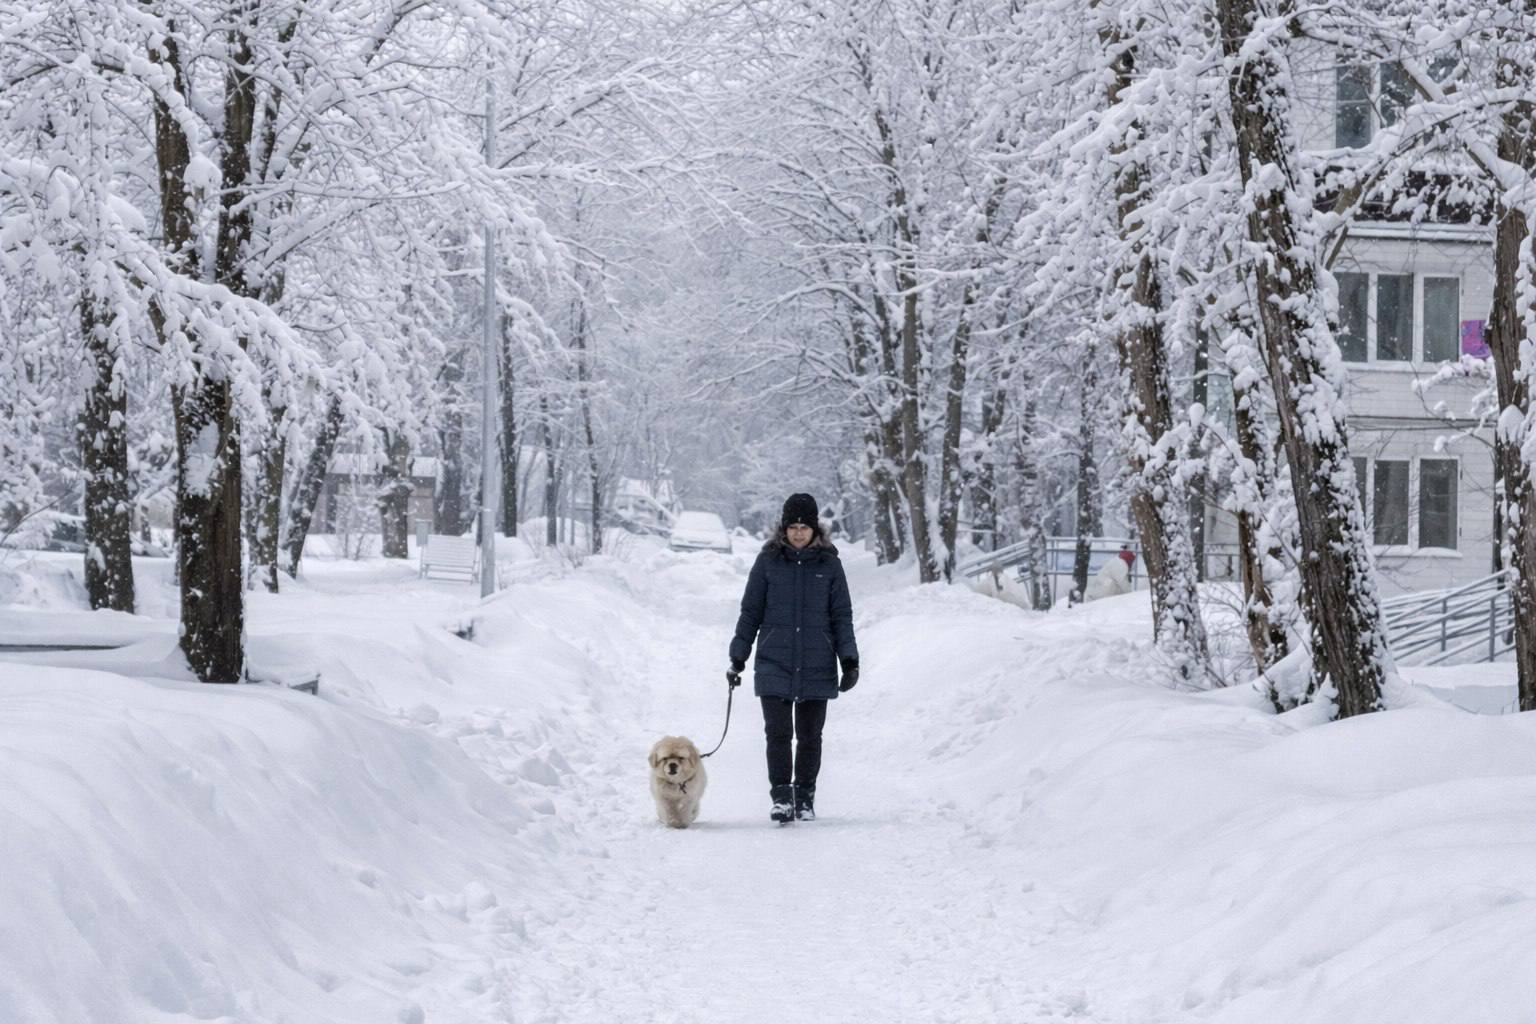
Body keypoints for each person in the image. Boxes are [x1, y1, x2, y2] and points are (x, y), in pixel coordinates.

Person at [727, 493, 859, 823]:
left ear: (815, 529)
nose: (798, 533)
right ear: (784, 529)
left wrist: (849, 660)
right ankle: (782, 797)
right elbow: (750, 612)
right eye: (793, 527)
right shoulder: (768, 562)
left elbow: (841, 616)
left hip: (817, 661)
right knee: (778, 733)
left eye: (804, 527)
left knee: (810, 736)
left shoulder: (830, 565)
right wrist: (738, 656)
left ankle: (805, 797)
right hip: (774, 660)